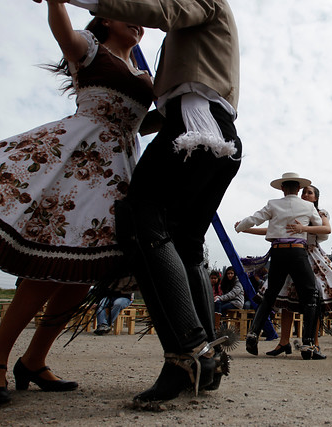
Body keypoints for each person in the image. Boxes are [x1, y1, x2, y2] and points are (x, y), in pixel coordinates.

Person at [67, 0, 242, 401]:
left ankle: (186, 352)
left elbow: (161, 11)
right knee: (186, 244)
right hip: (213, 133)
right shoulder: (201, 29)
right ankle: (207, 359)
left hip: (195, 130)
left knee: (139, 216)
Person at [0, 2, 153, 407]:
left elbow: (141, 122)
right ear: (105, 19)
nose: (138, 21)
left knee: (81, 273)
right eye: (127, 10)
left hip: (119, 168)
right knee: (50, 263)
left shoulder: (145, 74)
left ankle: (33, 359)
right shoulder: (90, 48)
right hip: (79, 158)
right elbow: (63, 32)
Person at [243, 184, 332, 359]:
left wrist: (303, 228)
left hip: (310, 254)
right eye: (304, 192)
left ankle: (314, 344)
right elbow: (273, 229)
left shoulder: (319, 212)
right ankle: (284, 342)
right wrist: (248, 229)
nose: (305, 194)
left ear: (316, 198)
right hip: (295, 253)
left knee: (315, 298)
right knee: (287, 300)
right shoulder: (295, 210)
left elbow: (327, 229)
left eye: (309, 193)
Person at [235, 173, 323, 360]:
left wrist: (240, 226)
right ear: (298, 189)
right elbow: (321, 228)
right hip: (298, 251)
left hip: (278, 251)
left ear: (282, 188)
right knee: (310, 295)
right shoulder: (308, 206)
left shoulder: (273, 204)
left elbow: (255, 218)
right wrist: (304, 228)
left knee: (270, 294)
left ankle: (253, 334)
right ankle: (308, 344)